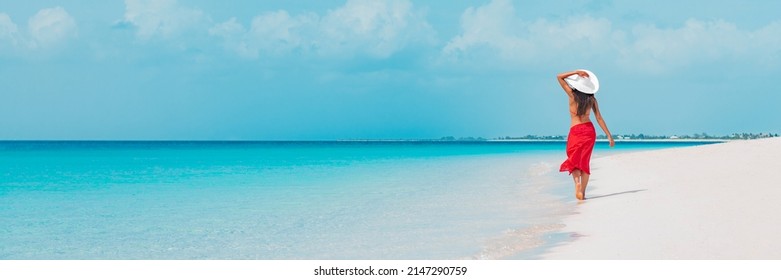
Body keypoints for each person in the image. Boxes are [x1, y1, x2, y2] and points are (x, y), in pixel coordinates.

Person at [556, 69, 614, 200]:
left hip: (575, 130)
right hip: (588, 131)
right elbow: (599, 118)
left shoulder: (571, 96)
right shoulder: (592, 100)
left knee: (574, 160)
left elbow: (559, 77)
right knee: (585, 161)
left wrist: (576, 72)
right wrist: (609, 135)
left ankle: (577, 184)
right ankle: (583, 191)